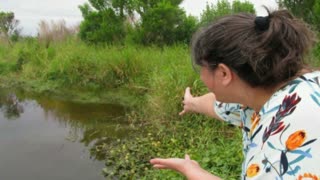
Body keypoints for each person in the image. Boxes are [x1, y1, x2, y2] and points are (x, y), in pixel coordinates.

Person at [150, 8, 320, 180]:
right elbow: (222, 107)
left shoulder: (284, 137)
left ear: (223, 73)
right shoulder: (267, 94)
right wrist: (191, 103)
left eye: (202, 68)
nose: (201, 77)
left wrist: (194, 173)